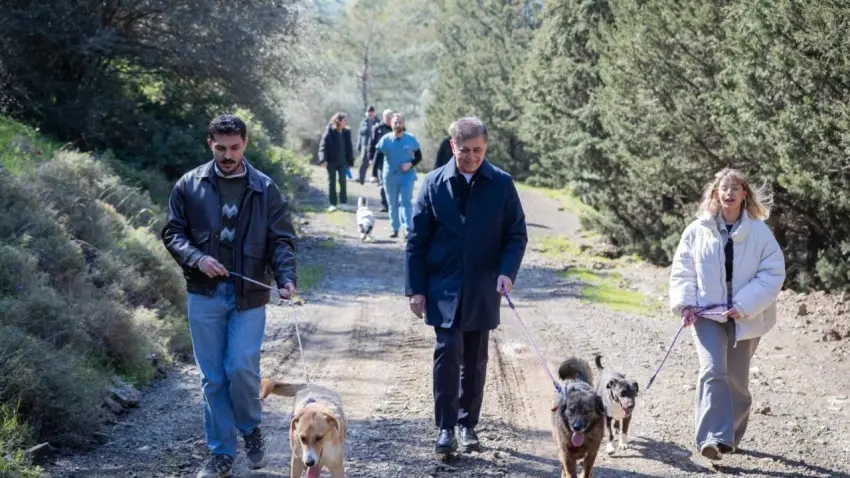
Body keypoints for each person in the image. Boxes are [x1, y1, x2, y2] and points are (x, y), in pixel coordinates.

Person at [161, 113, 297, 478]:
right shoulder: (189, 185)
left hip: (250, 294)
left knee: (240, 367)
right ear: (210, 144)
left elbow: (281, 241)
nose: (227, 154)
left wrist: (286, 279)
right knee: (213, 378)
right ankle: (221, 453)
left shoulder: (266, 189)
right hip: (203, 294)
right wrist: (197, 257)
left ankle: (251, 428)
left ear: (245, 144)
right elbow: (173, 233)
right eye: (220, 148)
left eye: (234, 147)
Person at [405, 116, 528, 454]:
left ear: (485, 147)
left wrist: (507, 272)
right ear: (452, 146)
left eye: (478, 150)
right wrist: (415, 288)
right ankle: (444, 428)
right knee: (447, 352)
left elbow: (516, 235)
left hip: (483, 285)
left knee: (475, 359)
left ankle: (467, 426)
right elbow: (416, 240)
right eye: (465, 150)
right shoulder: (432, 183)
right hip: (442, 285)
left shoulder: (501, 184)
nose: (472, 157)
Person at [669, 167, 785, 462]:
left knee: (736, 381)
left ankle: (729, 437)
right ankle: (711, 437)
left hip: (746, 316)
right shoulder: (697, 230)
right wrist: (685, 304)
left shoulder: (760, 232)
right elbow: (683, 270)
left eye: (736, 188)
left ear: (744, 194)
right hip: (706, 315)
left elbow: (772, 274)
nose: (729, 193)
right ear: (715, 193)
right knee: (712, 371)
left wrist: (743, 305)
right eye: (724, 188)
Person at [374, 113, 422, 238]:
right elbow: (378, 157)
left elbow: (419, 156)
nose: (398, 124)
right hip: (390, 176)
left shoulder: (410, 139)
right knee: (392, 203)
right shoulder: (385, 140)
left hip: (407, 176)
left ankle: (407, 228)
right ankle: (394, 228)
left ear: (403, 123)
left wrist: (410, 164)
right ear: (391, 124)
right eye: (395, 122)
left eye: (400, 122)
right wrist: (375, 174)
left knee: (405, 201)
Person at [317, 112, 355, 211]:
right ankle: (332, 204)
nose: (346, 122)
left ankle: (343, 202)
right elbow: (323, 146)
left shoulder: (347, 132)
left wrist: (350, 161)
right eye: (344, 120)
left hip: (342, 162)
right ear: (338, 121)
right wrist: (323, 159)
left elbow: (349, 147)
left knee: (343, 181)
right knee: (332, 182)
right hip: (331, 161)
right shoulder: (329, 131)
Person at [368, 108, 394, 212]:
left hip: (394, 160)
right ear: (383, 117)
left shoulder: (398, 127)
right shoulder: (377, 128)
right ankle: (385, 204)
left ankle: (392, 203)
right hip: (380, 160)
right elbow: (372, 144)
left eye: (391, 117)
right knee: (383, 183)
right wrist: (370, 157)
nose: (389, 119)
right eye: (387, 117)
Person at [357, 105, 379, 184]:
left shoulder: (378, 122)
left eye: (372, 112)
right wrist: (358, 145)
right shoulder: (364, 122)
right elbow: (360, 134)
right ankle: (361, 179)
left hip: (375, 145)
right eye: (369, 112)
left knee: (377, 161)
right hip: (365, 145)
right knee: (364, 162)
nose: (370, 113)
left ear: (374, 113)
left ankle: (376, 178)